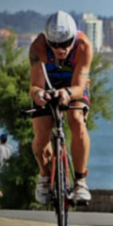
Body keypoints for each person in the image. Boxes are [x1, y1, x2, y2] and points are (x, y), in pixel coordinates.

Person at [29, 11, 94, 204]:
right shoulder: (37, 47)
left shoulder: (84, 46)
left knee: (76, 120)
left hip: (73, 84)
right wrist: (39, 94)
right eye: (55, 45)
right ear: (47, 41)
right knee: (41, 134)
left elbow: (79, 86)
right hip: (47, 82)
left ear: (73, 38)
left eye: (65, 44)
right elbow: (35, 85)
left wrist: (67, 93)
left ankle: (80, 181)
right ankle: (44, 175)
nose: (60, 49)